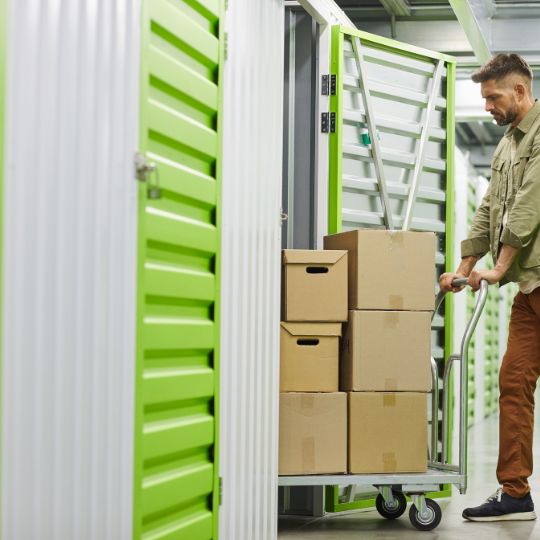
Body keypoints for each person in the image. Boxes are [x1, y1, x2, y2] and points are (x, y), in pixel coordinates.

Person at [440, 53, 540, 522]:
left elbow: (528, 206)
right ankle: (515, 493)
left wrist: (497, 269)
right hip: (530, 291)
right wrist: (462, 269)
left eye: (492, 97)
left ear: (519, 92)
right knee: (513, 381)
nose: (487, 107)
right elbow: (489, 213)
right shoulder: (505, 146)